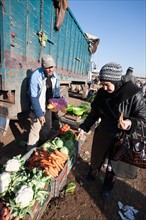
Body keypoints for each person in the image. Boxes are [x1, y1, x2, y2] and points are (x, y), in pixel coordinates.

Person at [78, 62, 145, 200]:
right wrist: (84, 127)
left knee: (113, 165)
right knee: (97, 158)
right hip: (104, 133)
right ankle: (91, 176)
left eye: (107, 84)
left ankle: (107, 187)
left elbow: (143, 117)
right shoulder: (102, 94)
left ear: (115, 80)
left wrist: (129, 122)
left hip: (121, 137)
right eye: (102, 84)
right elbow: (94, 113)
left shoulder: (133, 94)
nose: (104, 87)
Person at [27, 54, 60, 151]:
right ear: (42, 66)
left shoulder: (54, 76)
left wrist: (57, 104)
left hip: (48, 106)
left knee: (47, 126)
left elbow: (56, 91)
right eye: (47, 67)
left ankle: (42, 142)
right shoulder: (36, 76)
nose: (50, 69)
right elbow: (33, 98)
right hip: (38, 108)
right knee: (35, 131)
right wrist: (39, 114)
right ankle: (30, 152)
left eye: (52, 67)